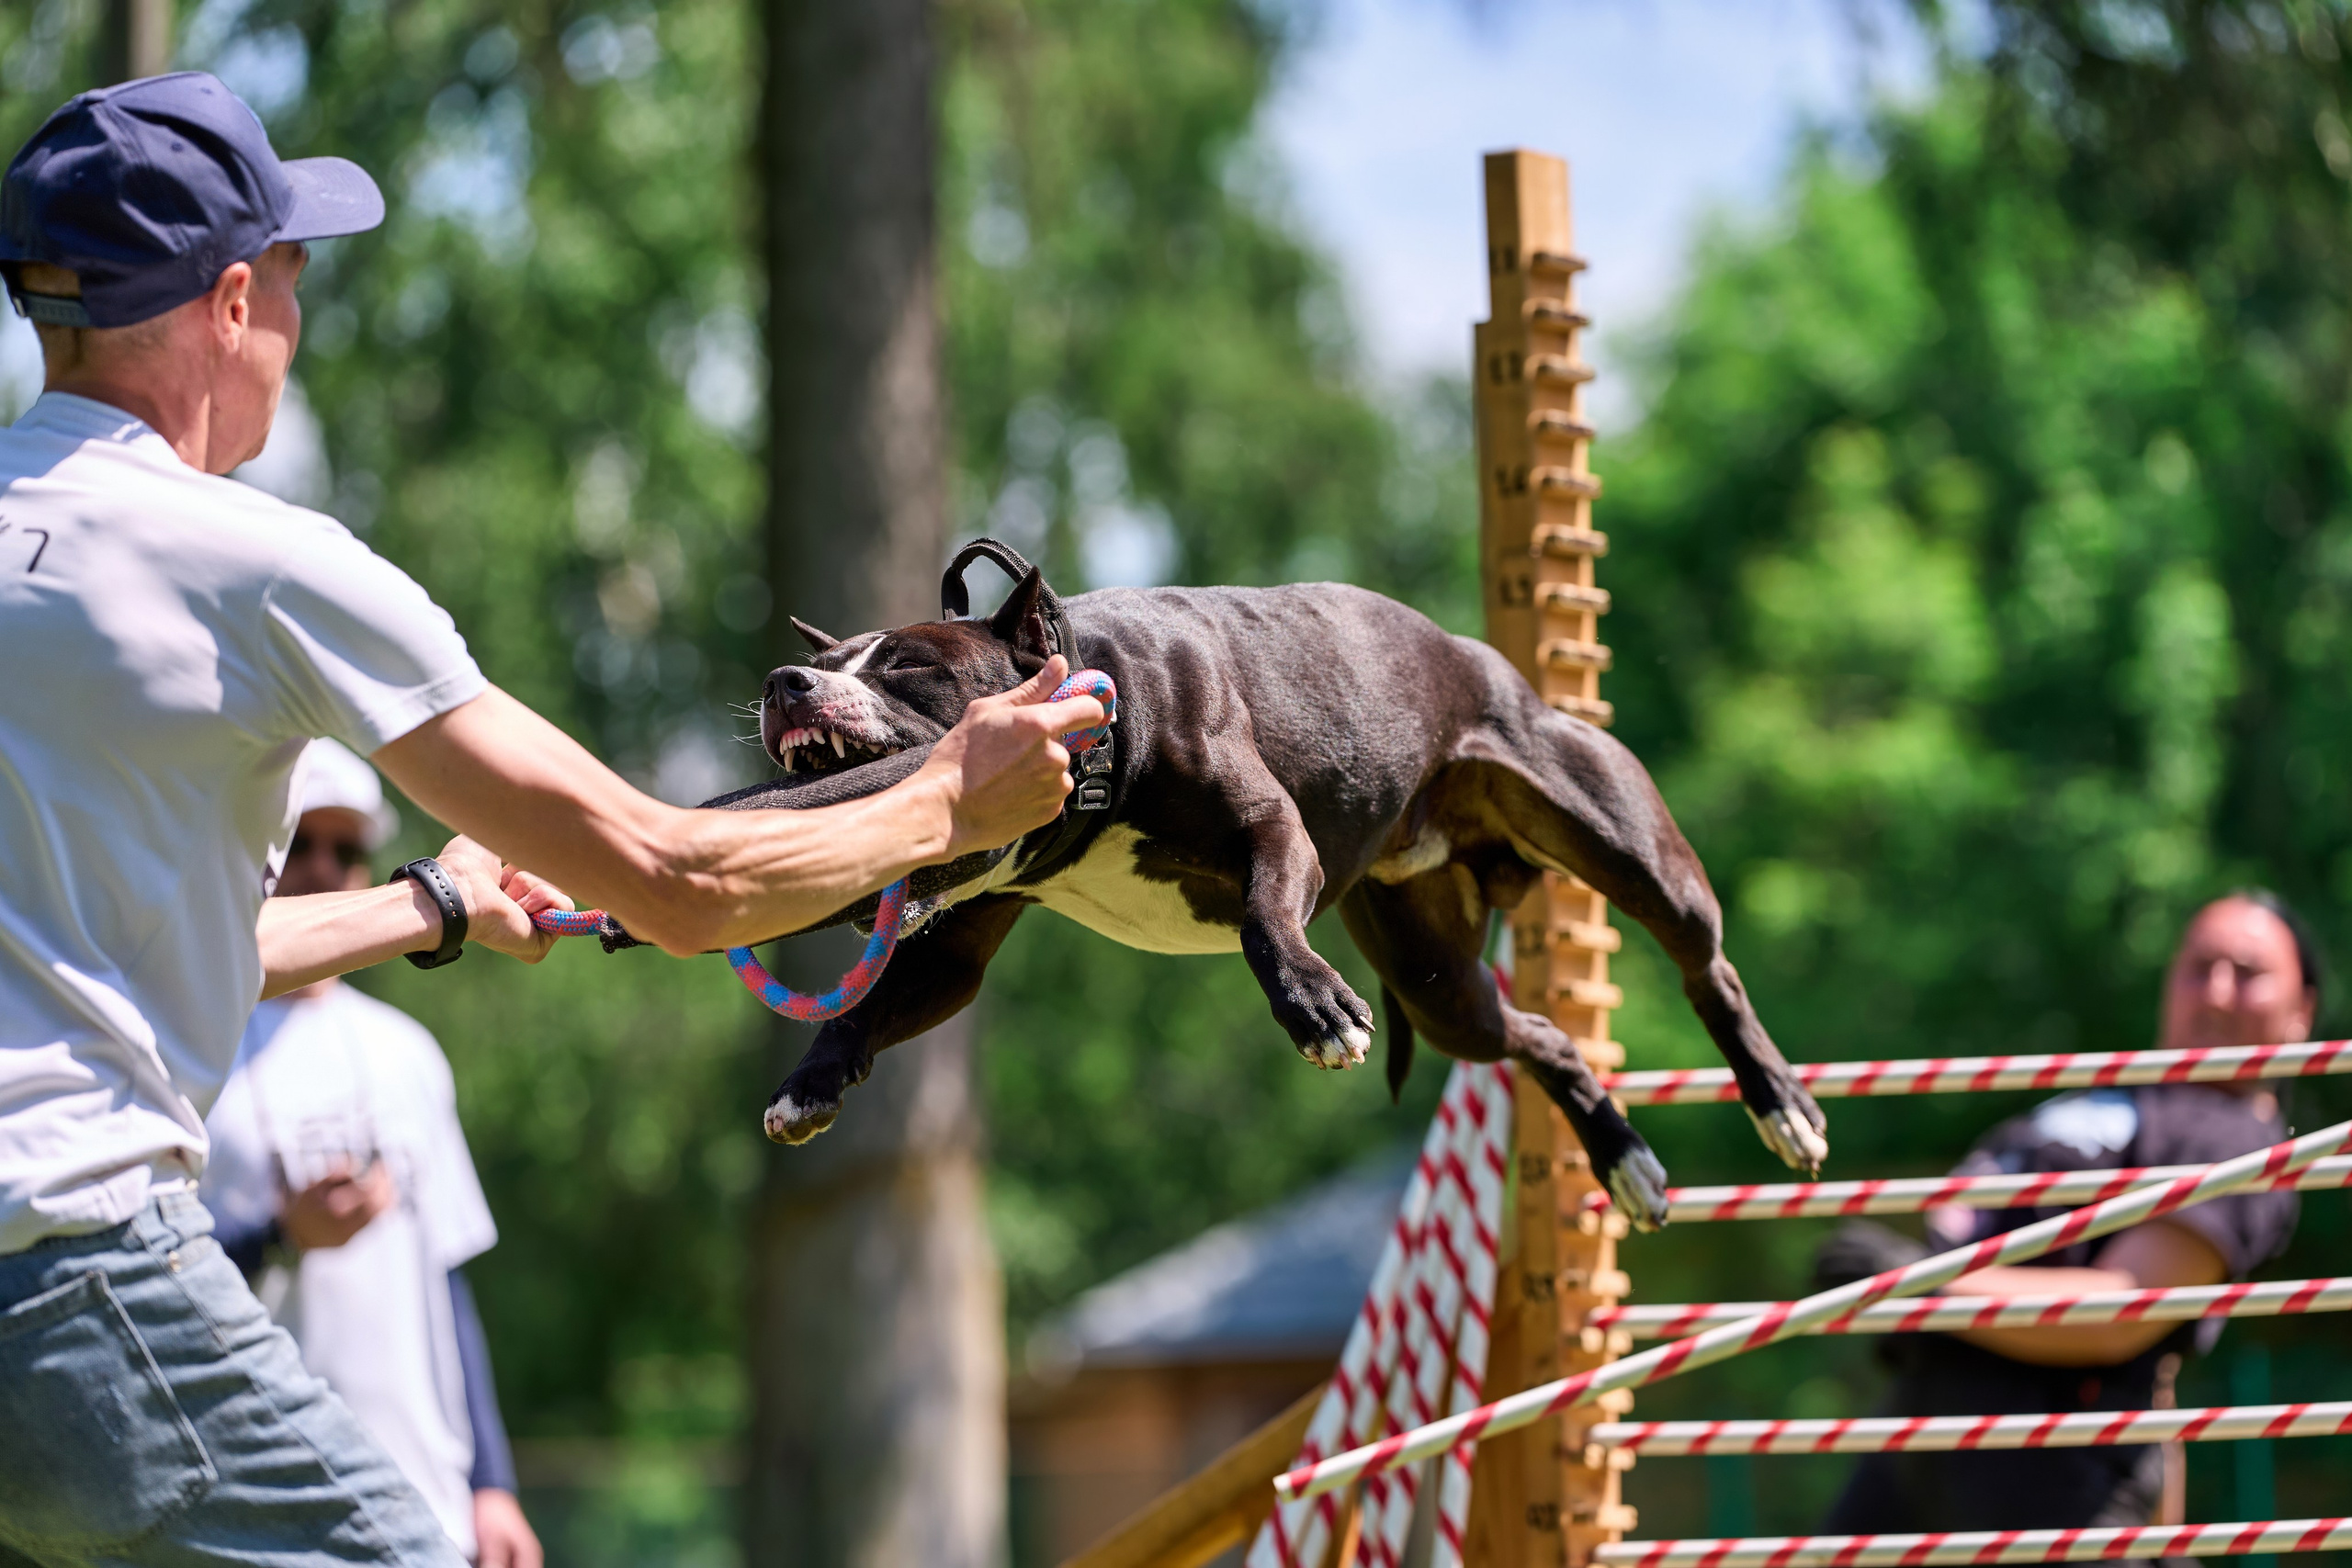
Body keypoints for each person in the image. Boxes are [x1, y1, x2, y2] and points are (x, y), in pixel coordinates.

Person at [0, 73, 1101, 1567]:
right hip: (64, 1267)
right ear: (237, 300)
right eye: (299, 285)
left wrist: (435, 906)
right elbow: (678, 876)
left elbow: (131, 941)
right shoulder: (252, 563)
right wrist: (941, 801)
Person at [1816, 891, 2312, 1537]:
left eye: (2247, 973)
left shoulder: (2235, 1144)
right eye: (2198, 965)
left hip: (2049, 1461)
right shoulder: (2117, 1094)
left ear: (2301, 1011)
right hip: (1923, 1438)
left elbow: (2121, 1311)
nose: (2215, 991)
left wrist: (1919, 1281)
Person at [200, 741, 540, 1568]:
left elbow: (446, 1275)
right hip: (254, 1491)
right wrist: (279, 1235)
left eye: (347, 849)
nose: (322, 866)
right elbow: (139, 1273)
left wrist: (491, 1482)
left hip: (422, 1490)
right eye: (300, 843)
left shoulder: (409, 1050)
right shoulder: (193, 1041)